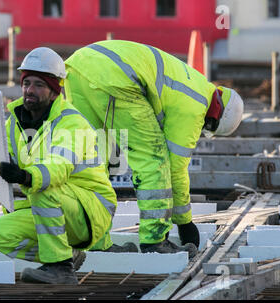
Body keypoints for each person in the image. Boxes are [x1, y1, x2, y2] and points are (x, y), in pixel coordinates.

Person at [64, 40, 244, 256]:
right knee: (154, 161)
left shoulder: (195, 83)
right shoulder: (195, 106)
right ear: (215, 117)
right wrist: (184, 222)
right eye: (208, 128)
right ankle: (154, 240)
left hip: (78, 66)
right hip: (117, 78)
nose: (202, 131)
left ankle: (94, 241)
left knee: (94, 162)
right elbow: (175, 169)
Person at [0, 47, 118, 284]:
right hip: (54, 206)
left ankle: (60, 268)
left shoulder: (71, 122)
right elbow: (3, 174)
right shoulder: (14, 123)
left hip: (91, 209)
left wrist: (27, 177)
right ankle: (65, 256)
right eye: (26, 83)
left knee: (43, 188)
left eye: (39, 85)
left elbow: (58, 167)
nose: (30, 90)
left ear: (53, 91)